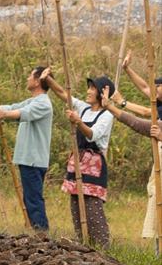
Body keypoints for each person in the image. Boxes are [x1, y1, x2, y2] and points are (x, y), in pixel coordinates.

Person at [0, 65, 55, 234]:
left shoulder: (43, 104)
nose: (27, 78)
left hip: (33, 159)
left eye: (30, 76)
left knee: (33, 199)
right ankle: (36, 231)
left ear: (38, 81)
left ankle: (42, 234)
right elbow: (13, 107)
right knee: (30, 198)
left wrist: (4, 115)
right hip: (28, 158)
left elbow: (21, 113)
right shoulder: (34, 101)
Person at [59, 76, 116, 246]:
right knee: (76, 206)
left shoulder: (107, 115)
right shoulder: (84, 109)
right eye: (89, 87)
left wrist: (78, 122)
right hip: (78, 162)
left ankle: (102, 246)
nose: (88, 91)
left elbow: (92, 134)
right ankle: (83, 244)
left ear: (102, 94)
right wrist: (48, 79)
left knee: (92, 208)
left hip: (93, 166)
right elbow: (64, 94)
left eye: (92, 88)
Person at [117, 53, 160, 253]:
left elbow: (144, 113)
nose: (155, 90)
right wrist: (127, 69)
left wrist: (122, 103)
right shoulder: (159, 102)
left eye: (158, 87)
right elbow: (144, 87)